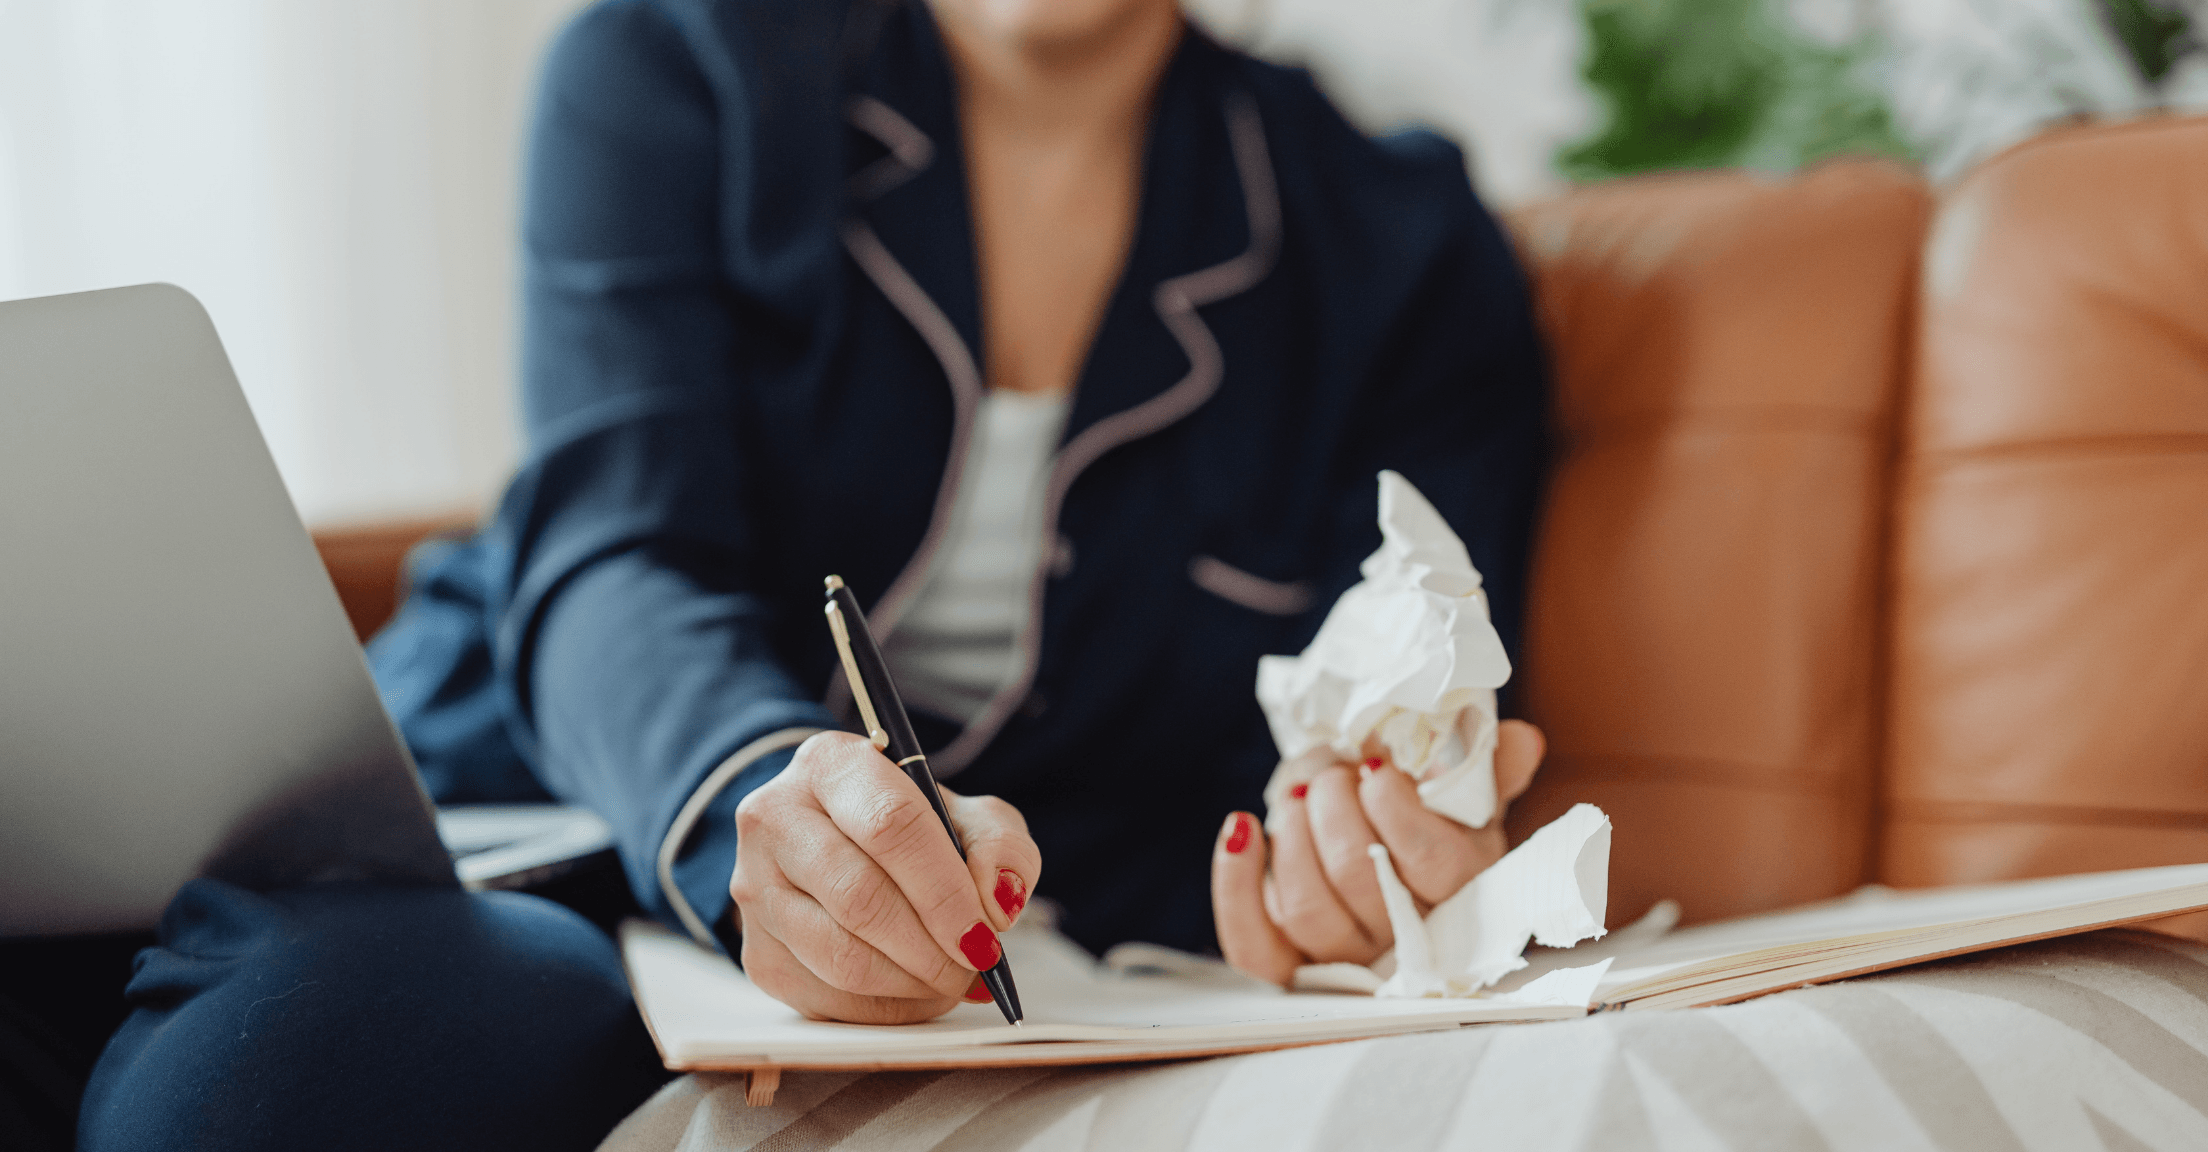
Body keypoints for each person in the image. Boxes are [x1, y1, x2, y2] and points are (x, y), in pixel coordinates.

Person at [54, 0, 1549, 1146]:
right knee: (313, 1066)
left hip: (1028, 951)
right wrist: (758, 803)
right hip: (534, 808)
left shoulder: (1402, 254)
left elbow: (1345, 762)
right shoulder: (677, 64)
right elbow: (610, 555)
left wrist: (1341, 880)